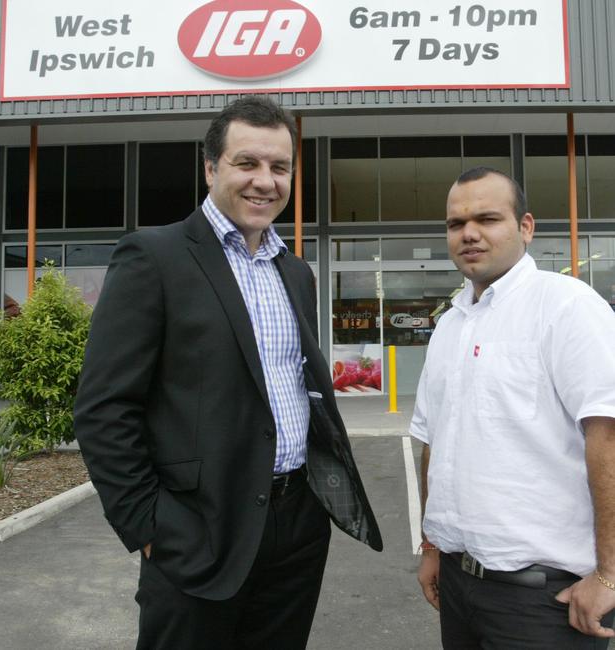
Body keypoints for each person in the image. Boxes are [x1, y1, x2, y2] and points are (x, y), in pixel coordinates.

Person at [74, 96, 382, 650]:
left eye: (280, 167)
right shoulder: (154, 256)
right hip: (199, 528)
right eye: (248, 163)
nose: (265, 181)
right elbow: (103, 408)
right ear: (212, 168)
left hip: (297, 524)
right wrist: (149, 526)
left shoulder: (295, 271)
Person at [411, 166, 615, 649]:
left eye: (487, 218)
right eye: (455, 224)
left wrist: (609, 575)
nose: (469, 234)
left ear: (525, 226)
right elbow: (432, 443)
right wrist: (432, 545)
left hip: (544, 600)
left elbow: (607, 439)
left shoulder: (566, 307)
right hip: (459, 585)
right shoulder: (450, 325)